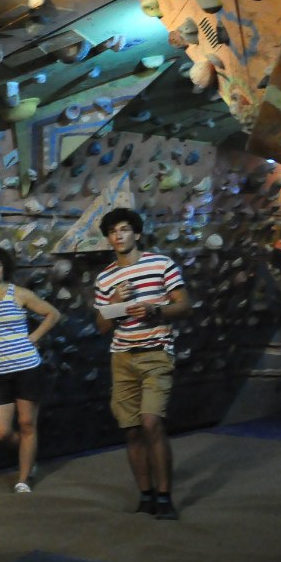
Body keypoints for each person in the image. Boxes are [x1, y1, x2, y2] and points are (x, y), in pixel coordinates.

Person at [93, 208, 191, 520]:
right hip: (122, 357)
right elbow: (102, 326)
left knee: (151, 422)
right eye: (113, 231)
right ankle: (146, 495)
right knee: (132, 430)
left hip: (156, 352)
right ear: (108, 238)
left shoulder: (160, 264)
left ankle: (165, 497)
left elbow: (183, 304)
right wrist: (113, 304)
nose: (118, 235)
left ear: (136, 233)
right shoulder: (106, 278)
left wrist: (154, 311)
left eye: (124, 229)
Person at [0, 246, 60, 493]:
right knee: (1, 432)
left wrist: (33, 338)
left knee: (26, 423)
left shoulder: (19, 293)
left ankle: (23, 478)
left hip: (26, 367)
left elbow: (52, 314)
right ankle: (29, 453)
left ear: (5, 268)